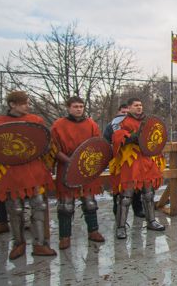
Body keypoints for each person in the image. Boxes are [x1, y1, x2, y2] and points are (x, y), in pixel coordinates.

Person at [0, 91, 56, 259]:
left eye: (27, 103)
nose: (26, 106)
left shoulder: (35, 121)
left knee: (39, 205)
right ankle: (18, 244)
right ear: (12, 104)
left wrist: (46, 151)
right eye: (23, 103)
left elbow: (45, 142)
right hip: (12, 171)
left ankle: (39, 244)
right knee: (15, 209)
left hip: (33, 168)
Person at [50, 97, 106, 250]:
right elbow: (54, 148)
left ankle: (93, 231)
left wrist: (87, 162)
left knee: (89, 202)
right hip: (66, 167)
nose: (79, 109)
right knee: (66, 205)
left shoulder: (91, 124)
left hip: (86, 167)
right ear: (68, 107)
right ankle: (64, 237)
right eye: (75, 106)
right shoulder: (59, 125)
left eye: (81, 106)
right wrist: (70, 161)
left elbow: (97, 144)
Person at [109, 98, 166, 239]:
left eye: (140, 105)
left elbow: (155, 137)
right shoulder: (121, 122)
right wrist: (133, 136)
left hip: (146, 160)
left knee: (148, 194)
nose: (139, 107)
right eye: (136, 105)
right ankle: (121, 227)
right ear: (129, 108)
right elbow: (118, 139)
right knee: (126, 196)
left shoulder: (147, 121)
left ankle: (151, 221)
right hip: (131, 161)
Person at [104, 104, 144, 218]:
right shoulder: (111, 126)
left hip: (134, 160)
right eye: (123, 112)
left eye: (127, 112)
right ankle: (117, 210)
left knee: (136, 185)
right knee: (119, 188)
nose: (125, 115)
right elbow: (106, 142)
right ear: (118, 112)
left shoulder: (135, 123)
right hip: (118, 161)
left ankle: (138, 209)